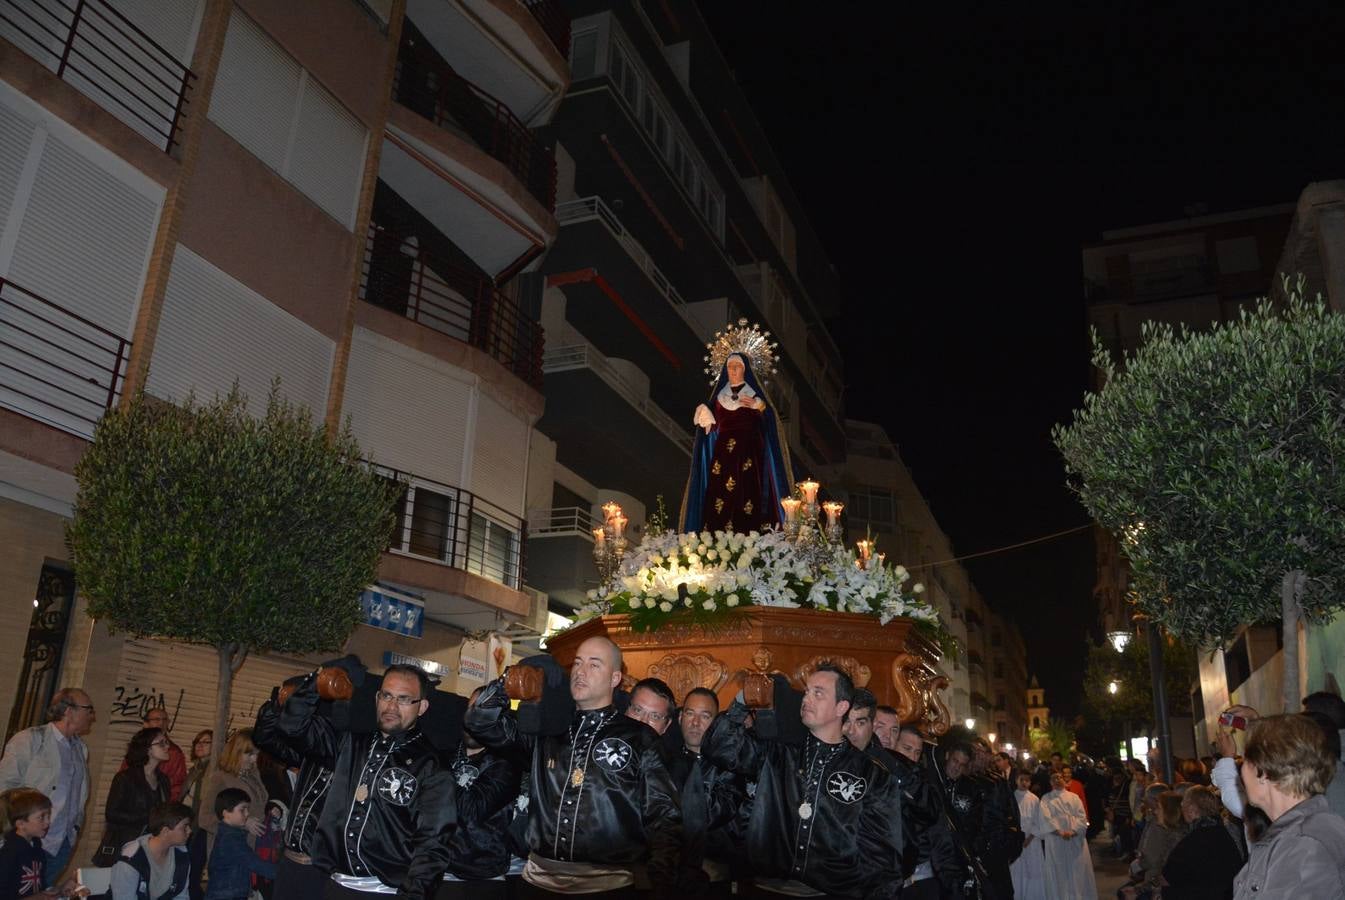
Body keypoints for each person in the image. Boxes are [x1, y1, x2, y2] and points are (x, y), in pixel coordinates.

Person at [465, 636, 681, 896]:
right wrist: (506, 681)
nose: (581, 671)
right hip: (536, 883)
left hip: (607, 887)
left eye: (594, 664)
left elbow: (665, 818)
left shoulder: (640, 739)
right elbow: (479, 721)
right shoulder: (546, 732)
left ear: (615, 679)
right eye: (577, 663)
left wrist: (663, 885)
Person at [701, 664, 903, 898]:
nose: (807, 698)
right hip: (763, 889)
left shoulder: (872, 775)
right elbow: (717, 745)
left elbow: (882, 863)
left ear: (841, 707)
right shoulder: (777, 755)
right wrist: (742, 699)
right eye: (807, 691)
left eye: (818, 693)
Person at [278, 663, 456, 898]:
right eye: (386, 696)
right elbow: (292, 726)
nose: (391, 706)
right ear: (376, 697)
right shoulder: (349, 744)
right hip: (333, 886)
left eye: (403, 699)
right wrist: (318, 680)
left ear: (421, 707)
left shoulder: (432, 767)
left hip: (385, 892)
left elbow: (433, 845)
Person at [1232, 713, 1345, 898]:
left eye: (1245, 760)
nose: (1241, 771)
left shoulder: (1301, 845)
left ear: (1264, 772)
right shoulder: (1304, 832)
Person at [680, 348, 792, 533]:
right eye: (729, 367)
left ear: (744, 370)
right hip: (723, 457)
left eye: (737, 367)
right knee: (719, 497)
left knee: (746, 495)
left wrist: (760, 407)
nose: (732, 370)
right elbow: (711, 431)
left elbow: (769, 427)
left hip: (749, 454)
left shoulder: (755, 398)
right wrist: (706, 417)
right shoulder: (718, 400)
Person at [0, 688, 94, 886]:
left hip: (62, 842)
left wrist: (75, 828)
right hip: (26, 839)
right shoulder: (30, 739)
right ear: (69, 711)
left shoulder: (80, 747)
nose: (92, 716)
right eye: (88, 709)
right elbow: (5, 786)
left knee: (43, 890)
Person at [441, 685, 523, 899]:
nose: (475, 720)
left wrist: (436, 777)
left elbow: (472, 811)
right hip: (438, 874)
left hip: (482, 881)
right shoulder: (444, 756)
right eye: (472, 710)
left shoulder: (506, 765)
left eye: (483, 712)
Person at [672, 688, 746, 898]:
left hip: (717, 881)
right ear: (680, 717)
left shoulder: (730, 767)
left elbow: (711, 813)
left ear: (715, 723)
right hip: (668, 878)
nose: (695, 723)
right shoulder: (663, 762)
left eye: (705, 716)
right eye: (689, 713)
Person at [98, 728, 173, 866]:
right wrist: (148, 818)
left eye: (167, 742)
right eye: (161, 743)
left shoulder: (163, 780)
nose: (167, 746)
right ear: (147, 749)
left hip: (151, 847)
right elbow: (112, 814)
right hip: (125, 845)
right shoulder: (125, 778)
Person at [1158, 785, 1241, 900]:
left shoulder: (1193, 840)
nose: (1181, 809)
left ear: (1192, 810)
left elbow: (1167, 877)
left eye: (1183, 805)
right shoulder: (1227, 832)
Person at [0, 788, 82, 898]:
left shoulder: (37, 847)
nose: (48, 822)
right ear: (21, 824)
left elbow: (41, 889)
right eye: (41, 817)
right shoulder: (8, 852)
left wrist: (60, 890)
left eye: (48, 815)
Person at [197, 731, 266, 856]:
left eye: (256, 754)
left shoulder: (253, 775)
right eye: (250, 754)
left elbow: (259, 805)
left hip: (254, 847)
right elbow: (204, 818)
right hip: (230, 851)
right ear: (236, 752)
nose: (254, 759)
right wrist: (244, 823)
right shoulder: (221, 778)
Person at [110, 802, 194, 900]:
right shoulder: (131, 859)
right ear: (165, 831)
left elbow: (181, 896)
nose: (190, 831)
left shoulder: (181, 855)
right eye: (184, 827)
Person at [205, 789, 276, 900]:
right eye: (242, 810)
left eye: (247, 809)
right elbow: (255, 863)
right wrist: (285, 873)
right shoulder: (230, 840)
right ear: (226, 813)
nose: (247, 814)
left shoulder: (231, 834)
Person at [1040, 770, 1097, 899]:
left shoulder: (1074, 797)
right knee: (1059, 871)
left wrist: (1072, 832)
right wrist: (1059, 832)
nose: (1058, 779)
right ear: (1050, 782)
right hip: (1056, 840)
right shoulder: (1046, 799)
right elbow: (1045, 818)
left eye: (1060, 777)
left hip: (1074, 838)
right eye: (1054, 778)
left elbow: (1081, 817)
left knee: (1076, 870)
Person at [1119, 789, 1180, 899]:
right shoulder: (1172, 834)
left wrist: (1138, 889)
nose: (1155, 812)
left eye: (1159, 808)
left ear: (1169, 812)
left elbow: (1161, 871)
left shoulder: (1175, 837)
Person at [177, 732, 212, 900]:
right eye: (198, 741)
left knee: (193, 870)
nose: (200, 744)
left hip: (200, 827)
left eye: (206, 742)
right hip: (185, 823)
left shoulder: (213, 771)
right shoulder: (195, 769)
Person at [1009, 770, 1047, 900]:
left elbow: (1039, 821)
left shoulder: (1034, 799)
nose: (1024, 783)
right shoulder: (1011, 797)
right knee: (1017, 871)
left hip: (1032, 841)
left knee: (1032, 872)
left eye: (1027, 780)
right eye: (1022, 779)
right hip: (1016, 841)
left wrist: (1029, 838)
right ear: (1016, 780)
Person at [139, 709, 188, 802]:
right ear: (146, 724)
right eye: (156, 719)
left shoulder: (174, 752)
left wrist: (165, 808)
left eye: (165, 720)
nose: (161, 723)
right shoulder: (137, 748)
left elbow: (177, 785)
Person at [842, 688, 877, 753]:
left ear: (873, 725)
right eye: (846, 721)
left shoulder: (887, 762)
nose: (851, 731)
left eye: (860, 723)